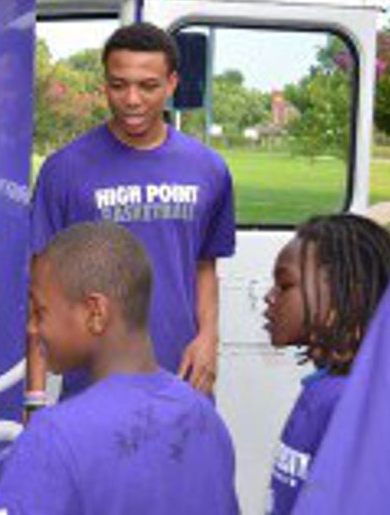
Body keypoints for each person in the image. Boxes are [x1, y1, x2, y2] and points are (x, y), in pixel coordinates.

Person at [0, 221, 239, 514]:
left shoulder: (56, 436)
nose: (32, 328)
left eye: (40, 311)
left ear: (95, 313)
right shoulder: (205, 416)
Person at [27, 22, 235, 411]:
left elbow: (204, 266)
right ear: (104, 84)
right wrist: (35, 398)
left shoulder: (208, 169)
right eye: (118, 85)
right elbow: (39, 290)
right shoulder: (64, 170)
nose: (132, 99)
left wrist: (208, 337)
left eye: (148, 86)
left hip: (181, 380)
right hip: (91, 388)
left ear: (172, 84)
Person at [263, 213, 390, 514]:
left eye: (285, 286)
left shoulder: (354, 403)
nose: (270, 297)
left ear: (349, 295)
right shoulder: (323, 387)